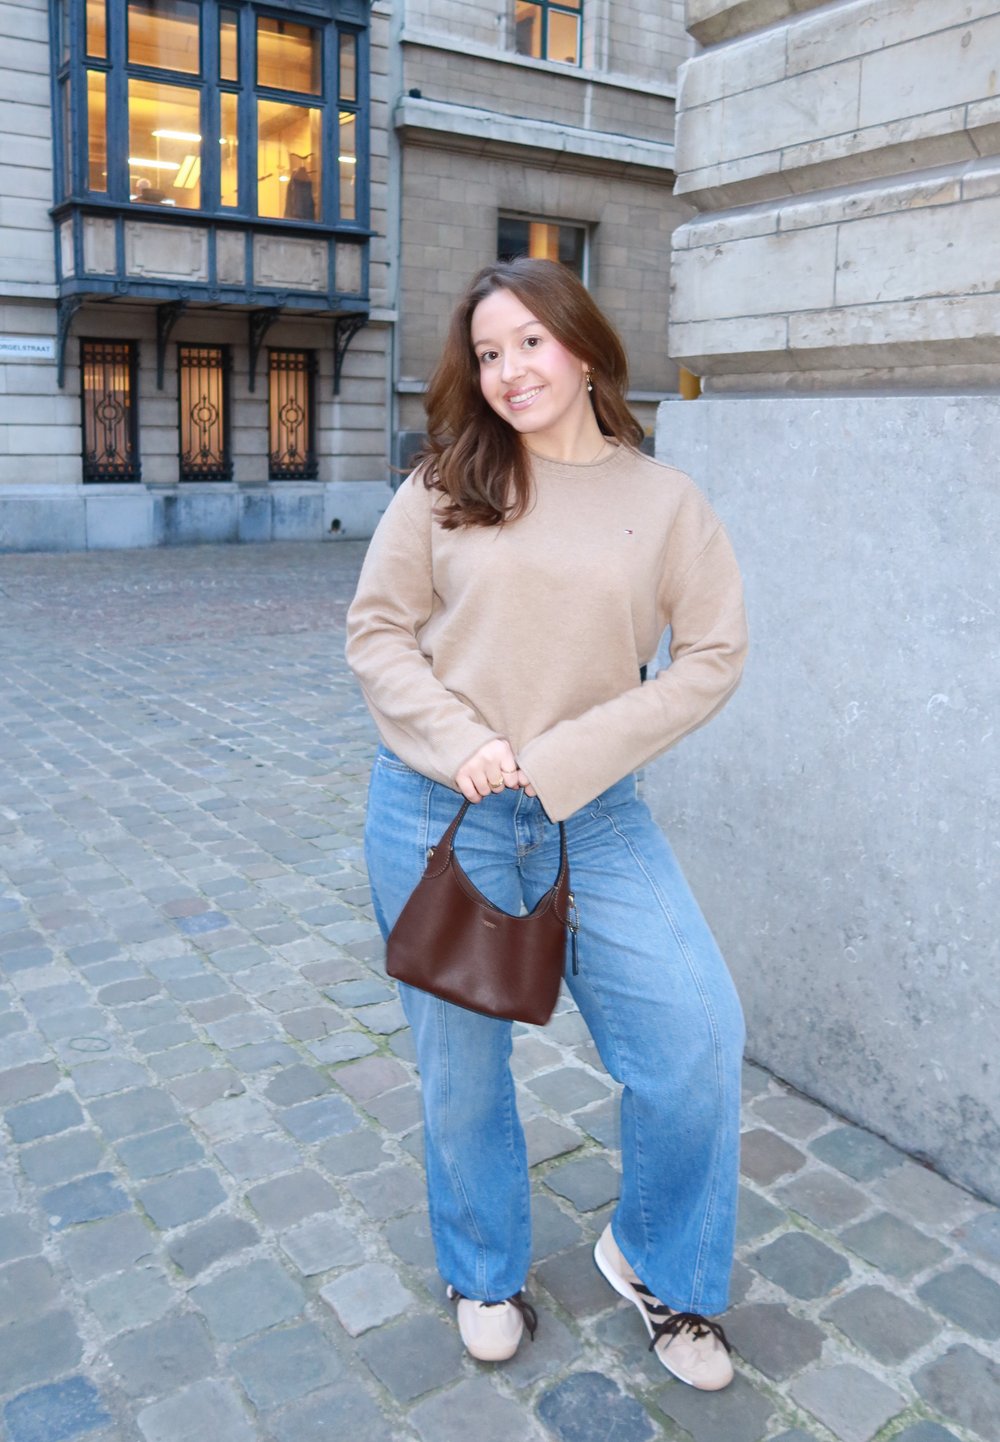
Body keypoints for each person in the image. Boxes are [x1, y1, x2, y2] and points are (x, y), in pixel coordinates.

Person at [345, 258, 747, 1390]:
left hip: (593, 812)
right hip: (442, 809)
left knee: (696, 1033)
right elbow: (377, 631)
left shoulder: (664, 502)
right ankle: (484, 1270)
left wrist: (572, 755)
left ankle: (656, 1260)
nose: (508, 370)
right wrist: (458, 740)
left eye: (528, 343)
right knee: (460, 1071)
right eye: (487, 352)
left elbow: (712, 655)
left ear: (580, 347)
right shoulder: (440, 483)